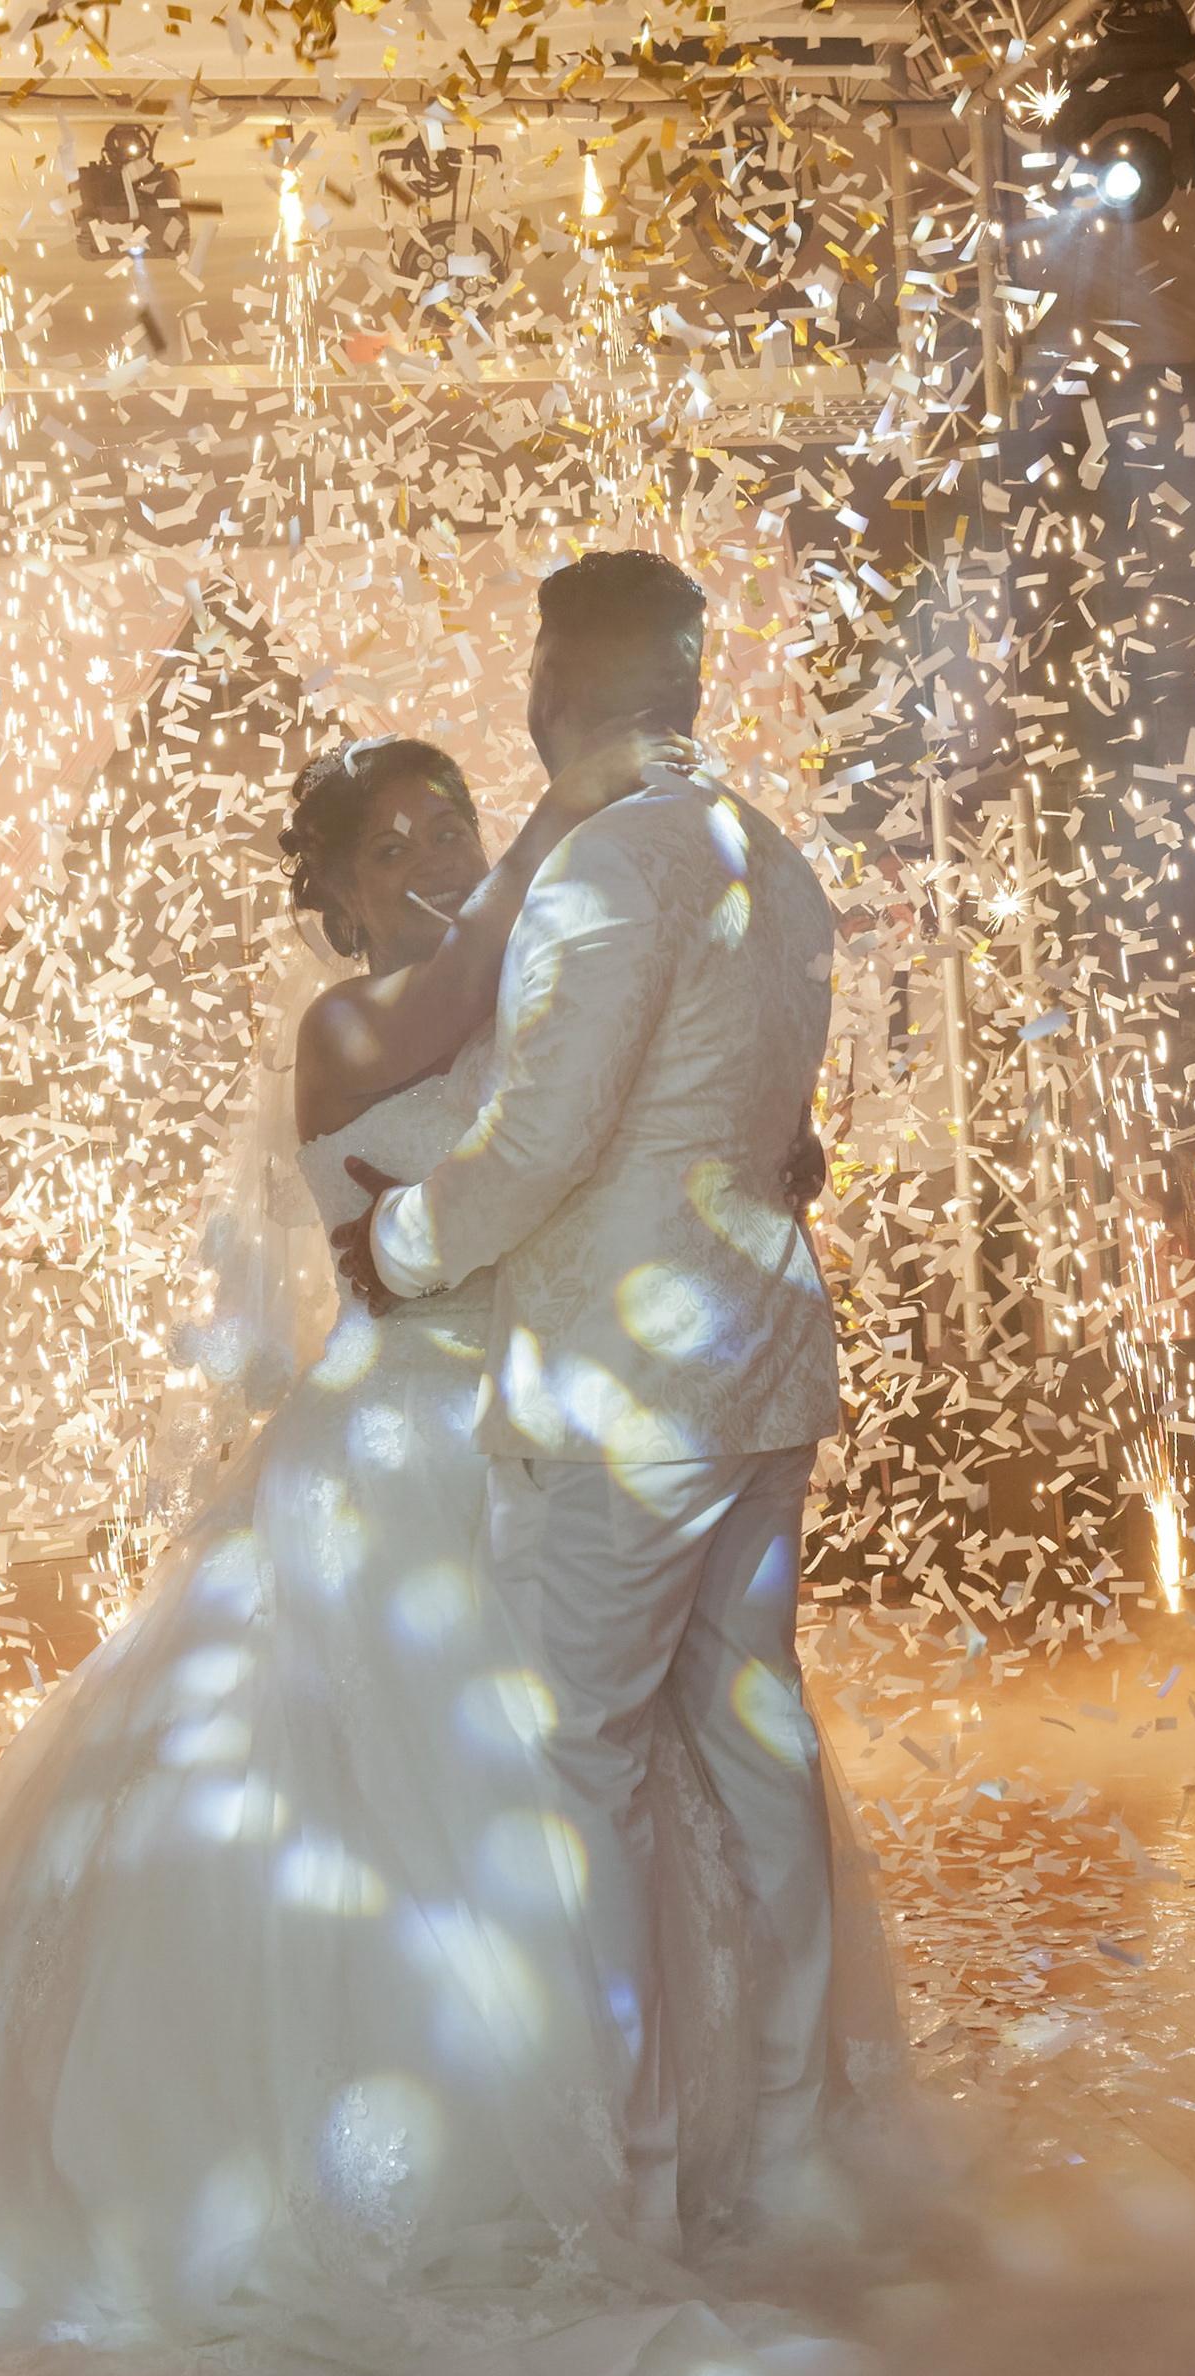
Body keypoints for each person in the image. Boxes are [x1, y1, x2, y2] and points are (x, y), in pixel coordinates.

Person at [0, 673, 895, 2376]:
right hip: (404, 1455)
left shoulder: (542, 994)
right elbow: (497, 1162)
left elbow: (619, 1140)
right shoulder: (354, 1024)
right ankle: (451, 2176)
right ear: (338, 896)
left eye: (454, 821)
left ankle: (681, 2148)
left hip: (570, 1433)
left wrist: (745, 1141)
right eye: (394, 842)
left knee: (626, 1774)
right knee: (418, 1799)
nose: (435, 857)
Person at [338, 551, 861, 2246]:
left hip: (627, 1391)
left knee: (581, 1760)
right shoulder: (772, 857)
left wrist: (395, 1244)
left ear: (558, 675)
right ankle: (792, 2146)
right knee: (758, 1742)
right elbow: (765, 1119)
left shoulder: (609, 866)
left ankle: (627, 2191)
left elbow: (540, 1145)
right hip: (764, 1363)